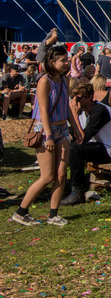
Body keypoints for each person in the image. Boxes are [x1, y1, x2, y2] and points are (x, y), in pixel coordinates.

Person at [12, 45, 75, 227]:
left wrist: (76, 129)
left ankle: (53, 214)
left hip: (62, 129)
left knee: (61, 174)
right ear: (51, 62)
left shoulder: (64, 80)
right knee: (47, 176)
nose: (66, 63)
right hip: (45, 131)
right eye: (62, 60)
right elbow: (43, 111)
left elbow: (66, 106)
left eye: (67, 59)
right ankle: (21, 211)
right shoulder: (44, 81)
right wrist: (48, 136)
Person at [61, 80, 111, 206]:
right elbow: (74, 132)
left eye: (79, 98)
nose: (76, 102)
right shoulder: (88, 111)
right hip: (104, 145)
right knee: (65, 146)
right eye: (74, 98)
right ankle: (62, 187)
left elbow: (83, 138)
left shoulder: (100, 111)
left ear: (89, 97)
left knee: (75, 149)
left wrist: (74, 114)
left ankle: (78, 191)